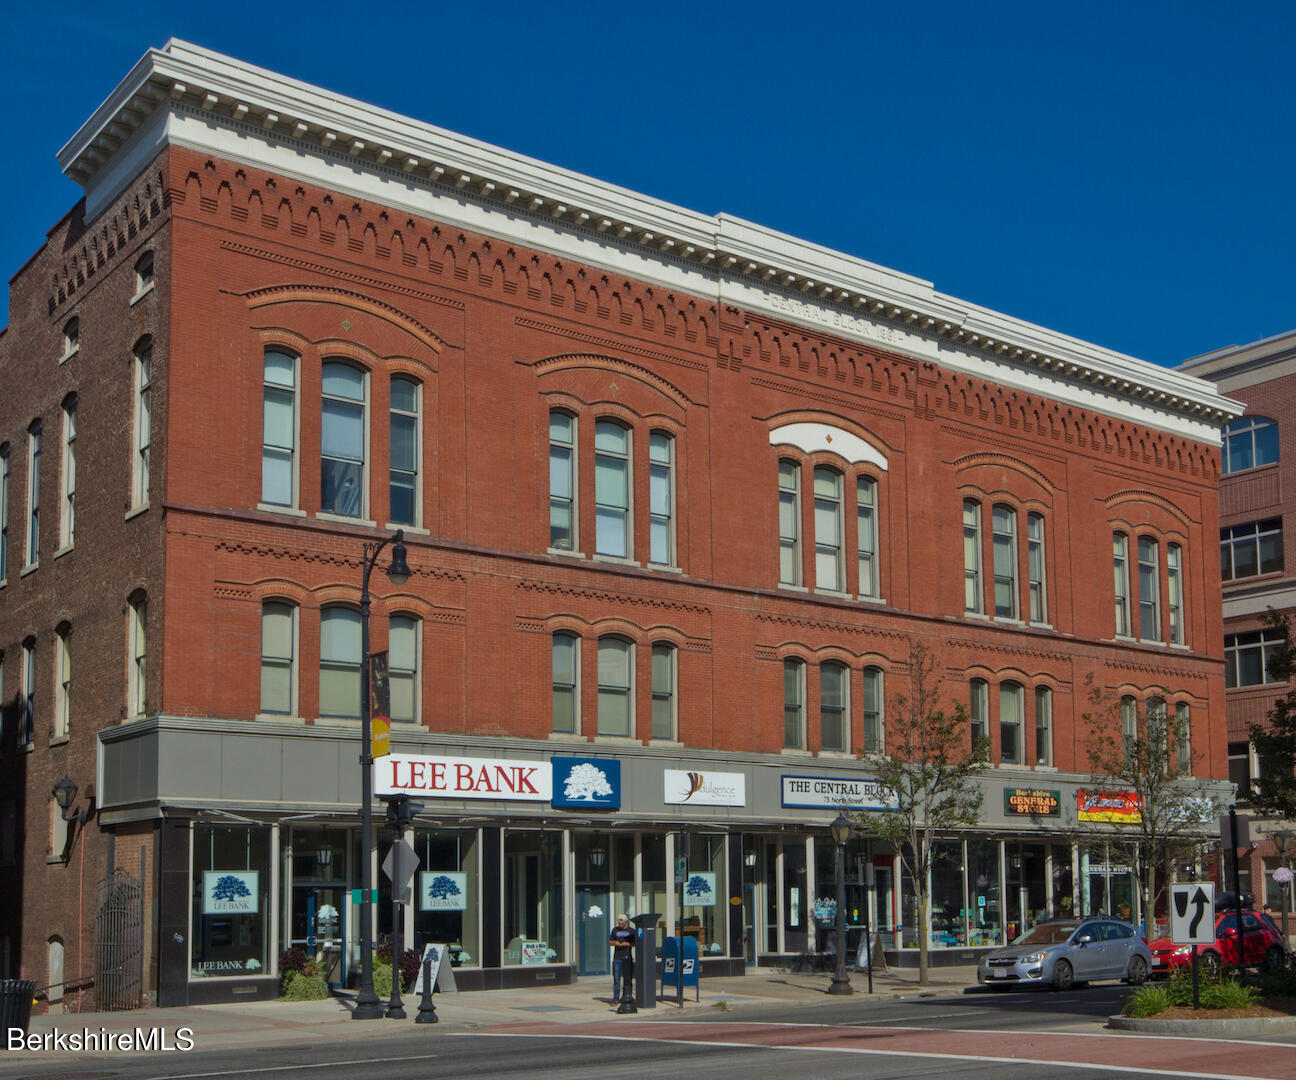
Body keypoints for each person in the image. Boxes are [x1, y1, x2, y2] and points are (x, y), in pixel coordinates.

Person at [609, 914, 636, 1006]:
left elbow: (635, 943)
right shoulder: (615, 930)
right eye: (619, 923)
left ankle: (627, 996)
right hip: (617, 957)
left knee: (628, 978)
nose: (620, 925)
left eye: (622, 923)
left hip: (627, 956)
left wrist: (627, 944)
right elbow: (610, 942)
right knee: (616, 979)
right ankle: (616, 998)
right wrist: (615, 942)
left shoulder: (631, 931)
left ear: (625, 922)